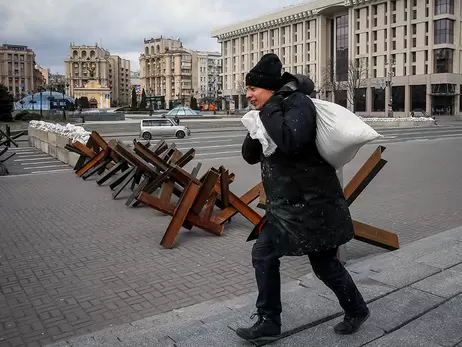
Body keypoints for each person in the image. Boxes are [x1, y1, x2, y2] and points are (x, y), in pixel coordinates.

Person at [236, 53, 370, 342]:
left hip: (313, 206)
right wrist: (254, 129)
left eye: (252, 89)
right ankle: (269, 321)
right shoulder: (269, 111)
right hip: (284, 209)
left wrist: (267, 110)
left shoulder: (298, 104)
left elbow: (292, 141)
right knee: (263, 254)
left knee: (325, 266)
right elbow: (249, 156)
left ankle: (357, 310)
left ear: (269, 89)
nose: (248, 95)